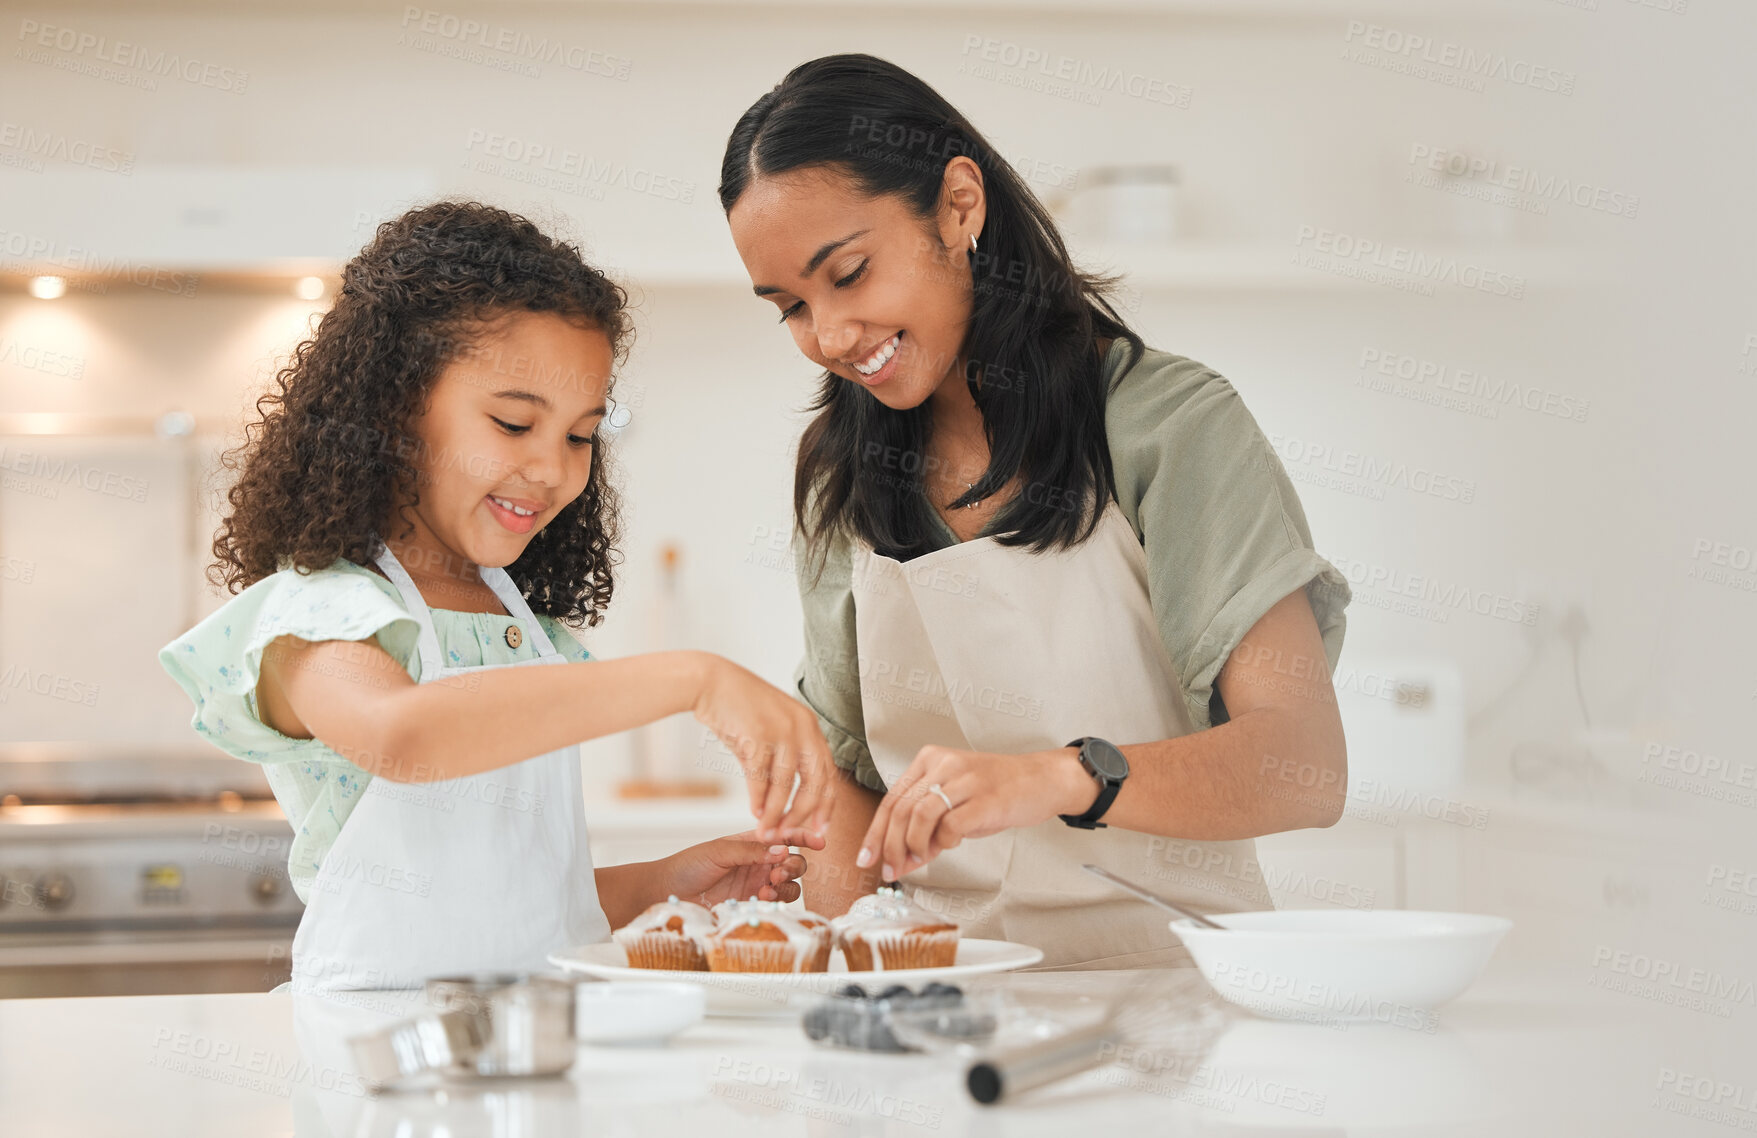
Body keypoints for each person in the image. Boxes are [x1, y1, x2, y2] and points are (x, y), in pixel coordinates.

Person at [720, 55, 1354, 969]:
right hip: (937, 1003)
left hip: (1169, 999)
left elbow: (1302, 765)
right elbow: (850, 786)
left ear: (958, 205)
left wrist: (1057, 778)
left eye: (849, 273)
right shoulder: (840, 477)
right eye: (789, 307)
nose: (829, 337)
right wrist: (822, 977)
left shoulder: (1167, 425)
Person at [159, 202, 834, 991]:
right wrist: (694, 678)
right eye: (514, 423)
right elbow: (403, 738)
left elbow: (519, 911)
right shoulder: (320, 612)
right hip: (378, 1067)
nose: (552, 469)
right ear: (393, 409)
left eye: (580, 436)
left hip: (531, 1057)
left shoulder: (528, 632)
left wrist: (658, 886)